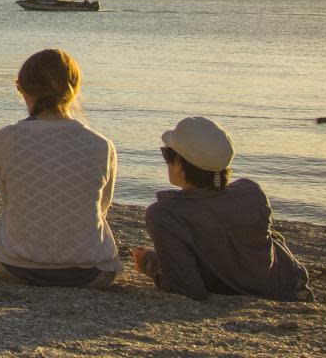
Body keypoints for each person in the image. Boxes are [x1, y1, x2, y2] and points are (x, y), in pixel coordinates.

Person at [131, 117, 313, 301]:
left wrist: (150, 263)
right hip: (286, 282)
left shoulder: (165, 214)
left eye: (167, 155)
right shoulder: (251, 192)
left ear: (179, 162)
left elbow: (189, 288)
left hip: (244, 289)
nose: (166, 162)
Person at [0, 48, 122, 287]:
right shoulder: (101, 145)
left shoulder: (5, 138)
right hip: (90, 271)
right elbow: (101, 209)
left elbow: (10, 201)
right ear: (73, 89)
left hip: (16, 267)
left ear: (23, 89)